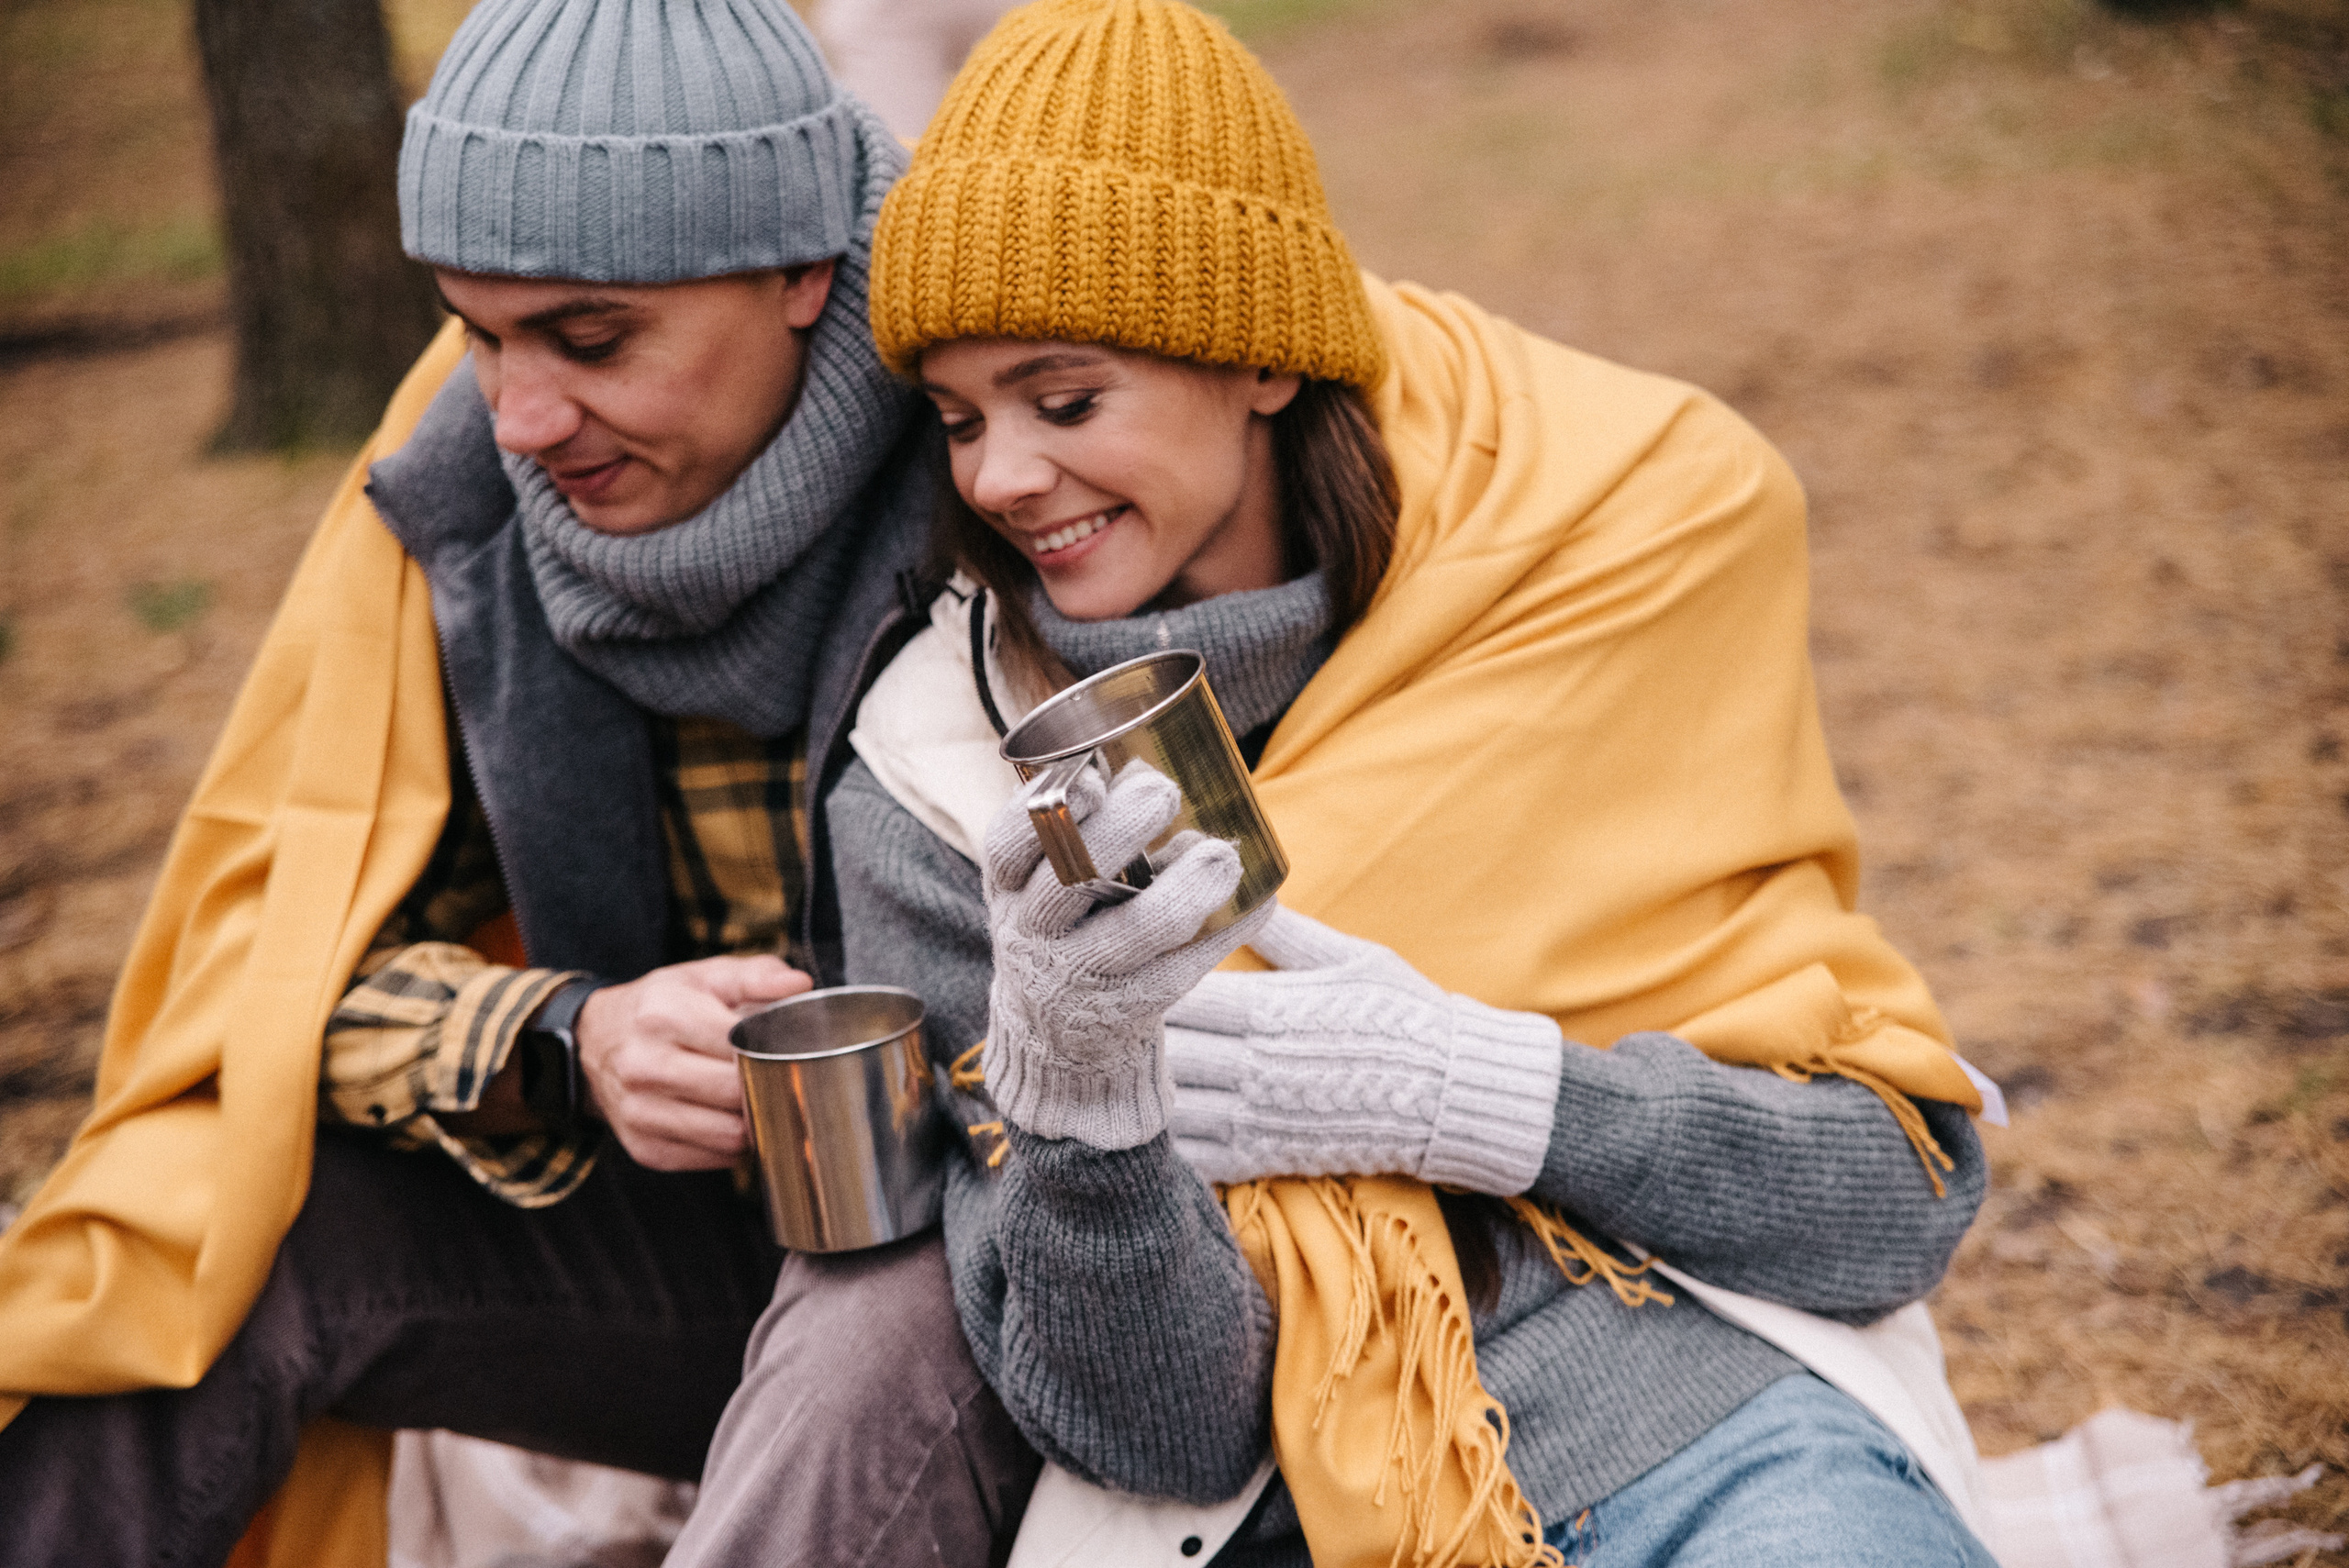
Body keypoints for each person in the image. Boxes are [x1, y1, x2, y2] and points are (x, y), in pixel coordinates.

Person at [807, 0, 2009, 1562]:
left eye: (1067, 399)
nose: (999, 476)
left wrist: (1482, 1091)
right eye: (959, 419)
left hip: (1704, 1434)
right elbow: (1157, 1433)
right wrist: (1084, 1109)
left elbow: (1889, 1208)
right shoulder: (939, 781)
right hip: (1286, 1519)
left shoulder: (1568, 591)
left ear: (1260, 358)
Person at [0, 2, 1040, 1563]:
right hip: (688, 1268)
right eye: (477, 335)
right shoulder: (461, 515)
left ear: (802, 270)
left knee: (858, 1341)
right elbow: (279, 986)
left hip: (1023, 1257)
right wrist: (571, 1036)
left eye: (589, 339)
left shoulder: (1013, 444)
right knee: (207, 1229)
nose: (521, 418)